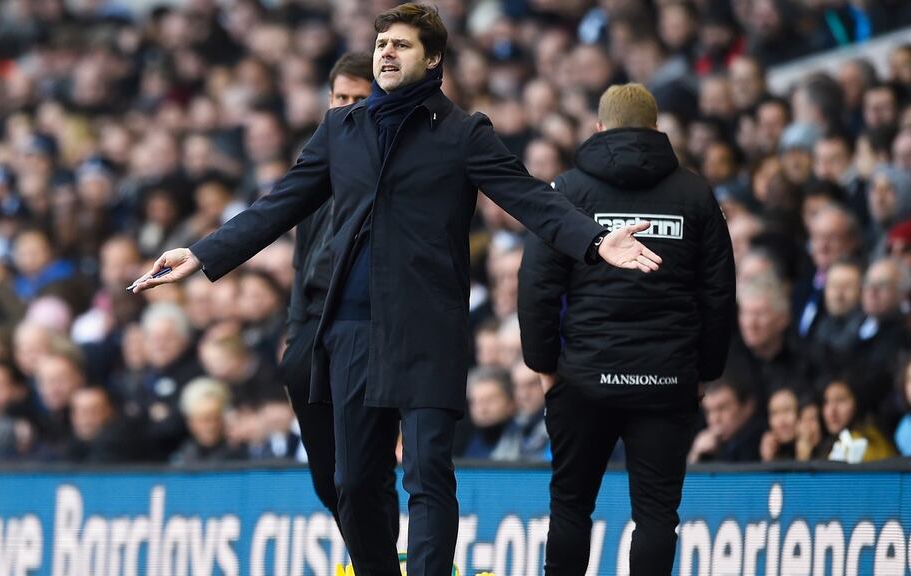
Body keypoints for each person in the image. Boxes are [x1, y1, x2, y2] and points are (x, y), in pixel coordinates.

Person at [132, 5, 661, 574]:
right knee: (354, 482)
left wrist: (595, 240)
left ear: (432, 58)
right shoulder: (341, 129)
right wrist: (204, 252)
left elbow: (529, 197)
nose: (385, 52)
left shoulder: (463, 133)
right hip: (351, 330)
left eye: (401, 45)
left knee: (427, 473)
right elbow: (279, 204)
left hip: (427, 329)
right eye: (382, 42)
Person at [518, 83, 734, 575]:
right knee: (657, 515)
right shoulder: (695, 194)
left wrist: (545, 367)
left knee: (571, 507)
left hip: (584, 378)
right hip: (666, 380)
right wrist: (705, 371)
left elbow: (535, 287)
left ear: (598, 129)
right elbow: (719, 293)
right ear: (657, 131)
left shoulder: (569, 191)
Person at [280, 52, 374, 527]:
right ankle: (367, 550)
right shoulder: (320, 169)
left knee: (363, 475)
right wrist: (295, 331)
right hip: (314, 325)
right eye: (341, 98)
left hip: (370, 324)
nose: (350, 107)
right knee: (329, 479)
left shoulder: (393, 173)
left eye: (362, 98)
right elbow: (300, 263)